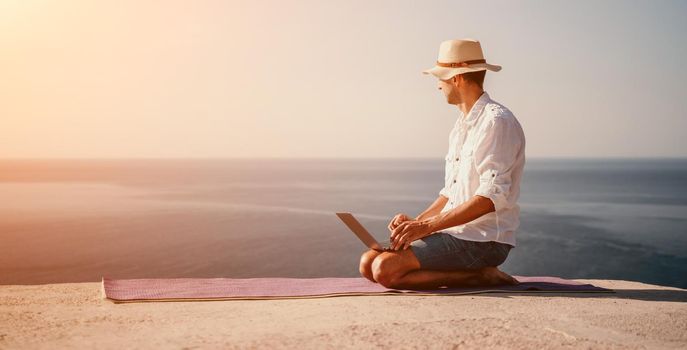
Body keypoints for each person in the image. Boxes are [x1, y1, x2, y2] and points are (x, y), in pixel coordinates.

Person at [359, 39, 525, 290]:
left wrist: (425, 227)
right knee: (368, 262)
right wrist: (413, 224)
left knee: (385, 269)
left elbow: (492, 197)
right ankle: (476, 274)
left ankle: (481, 276)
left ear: (456, 78)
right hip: (454, 234)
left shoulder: (496, 122)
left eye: (440, 78)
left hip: (484, 241)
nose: (438, 86)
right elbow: (450, 194)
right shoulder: (461, 127)